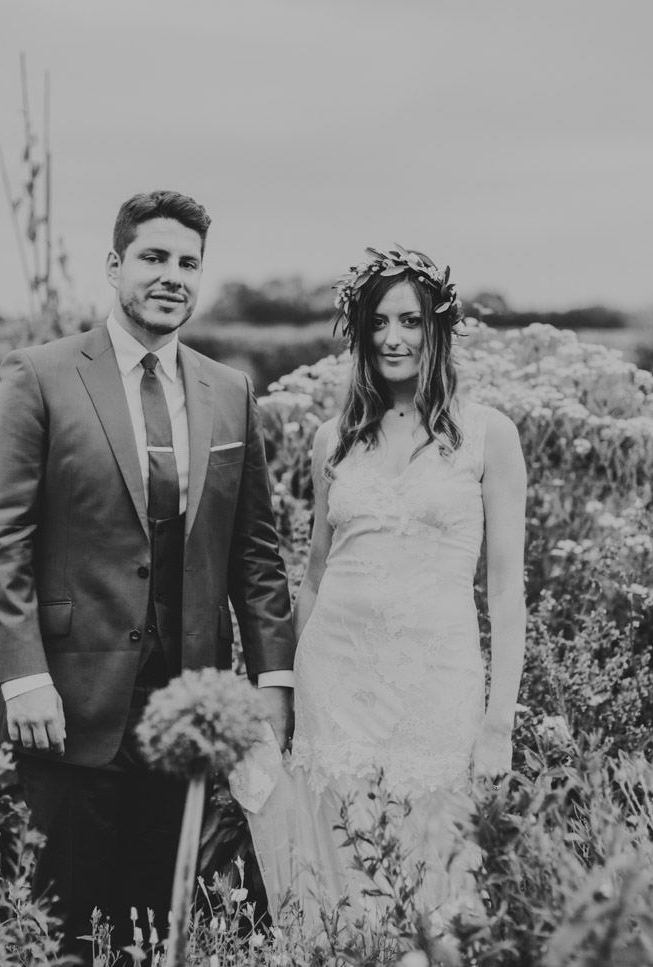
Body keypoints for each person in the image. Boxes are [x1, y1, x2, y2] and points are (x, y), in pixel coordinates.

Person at [0, 190, 296, 958]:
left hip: (185, 712)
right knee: (63, 929)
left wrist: (273, 682)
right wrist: (22, 675)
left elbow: (256, 551)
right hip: (66, 704)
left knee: (159, 931)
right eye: (154, 257)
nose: (172, 275)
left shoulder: (230, 390)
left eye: (188, 262)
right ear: (115, 266)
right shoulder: (39, 376)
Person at [248, 246, 527, 931]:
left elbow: (507, 591)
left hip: (437, 682)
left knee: (435, 866)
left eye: (410, 320)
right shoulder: (331, 438)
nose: (394, 337)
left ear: (439, 326)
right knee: (338, 852)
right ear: (359, 333)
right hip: (333, 681)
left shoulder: (489, 435)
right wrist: (281, 690)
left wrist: (499, 721)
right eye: (377, 322)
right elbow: (312, 574)